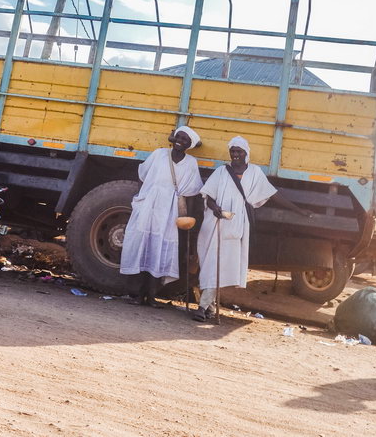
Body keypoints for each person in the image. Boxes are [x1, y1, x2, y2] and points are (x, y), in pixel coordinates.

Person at [193, 136, 312, 322]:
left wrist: (298, 210)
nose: (235, 155)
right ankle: (207, 306)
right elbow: (208, 195)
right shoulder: (222, 172)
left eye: (239, 151)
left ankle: (204, 306)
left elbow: (273, 194)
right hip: (216, 223)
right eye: (232, 151)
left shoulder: (255, 173)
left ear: (246, 153)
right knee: (210, 262)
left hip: (237, 223)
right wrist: (214, 208)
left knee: (222, 264)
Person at [120, 126, 203, 307]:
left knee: (159, 251)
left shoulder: (190, 163)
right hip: (149, 205)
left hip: (169, 210)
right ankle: (136, 294)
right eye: (178, 137)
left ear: (189, 145)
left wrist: (187, 219)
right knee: (142, 246)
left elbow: (191, 192)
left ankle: (151, 296)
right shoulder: (159, 154)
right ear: (173, 138)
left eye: (185, 140)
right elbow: (144, 174)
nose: (180, 141)